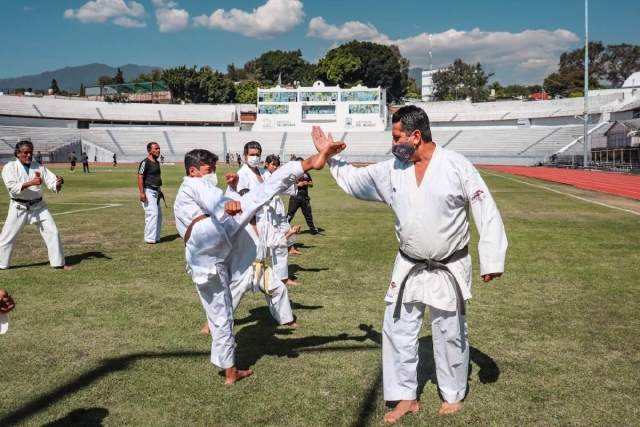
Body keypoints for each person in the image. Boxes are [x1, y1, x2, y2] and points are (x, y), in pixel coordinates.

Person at [311, 105, 507, 422]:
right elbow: (356, 180)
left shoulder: (456, 166)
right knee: (397, 329)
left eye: (396, 136)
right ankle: (406, 397)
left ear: (416, 136)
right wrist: (330, 156)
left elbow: (484, 207)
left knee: (450, 331)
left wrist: (492, 257)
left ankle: (453, 392)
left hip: (449, 267)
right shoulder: (393, 169)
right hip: (409, 265)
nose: (393, 144)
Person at [173, 142, 344, 385]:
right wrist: (227, 203)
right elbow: (213, 200)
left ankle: (230, 371)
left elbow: (213, 203)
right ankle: (307, 164)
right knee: (259, 196)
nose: (212, 174)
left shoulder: (185, 192)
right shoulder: (194, 183)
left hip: (204, 259)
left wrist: (231, 194)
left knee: (220, 314)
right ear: (193, 170)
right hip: (212, 236)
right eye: (209, 169)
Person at [0, 140, 72, 270]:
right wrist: (31, 182)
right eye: (25, 152)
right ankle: (1, 264)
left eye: (30, 153)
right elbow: (12, 187)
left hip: (39, 207)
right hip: (18, 207)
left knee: (53, 233)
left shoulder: (38, 166)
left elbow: (51, 181)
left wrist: (58, 182)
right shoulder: (9, 168)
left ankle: (58, 263)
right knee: (7, 237)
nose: (28, 155)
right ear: (17, 153)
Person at [235, 143, 299, 286]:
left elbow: (278, 185)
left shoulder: (265, 173)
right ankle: (247, 279)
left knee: (281, 244)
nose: (255, 157)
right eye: (252, 154)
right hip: (256, 217)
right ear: (245, 155)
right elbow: (243, 195)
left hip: (272, 214)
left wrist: (293, 179)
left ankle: (282, 277)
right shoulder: (242, 174)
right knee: (255, 249)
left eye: (257, 154)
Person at [264, 155, 302, 255]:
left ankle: (291, 248)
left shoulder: (275, 175)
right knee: (273, 230)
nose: (275, 167)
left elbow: (283, 186)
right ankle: (273, 249)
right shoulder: (263, 176)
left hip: (277, 204)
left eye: (276, 165)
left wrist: (292, 181)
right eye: (273, 164)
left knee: (285, 226)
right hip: (268, 205)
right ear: (266, 164)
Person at [287, 156, 321, 236]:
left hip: (305, 198)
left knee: (308, 215)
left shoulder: (306, 173)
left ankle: (314, 231)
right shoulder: (292, 174)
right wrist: (298, 185)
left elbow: (311, 184)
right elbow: (288, 185)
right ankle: (282, 230)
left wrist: (307, 183)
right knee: (290, 215)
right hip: (295, 197)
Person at [138, 142, 163, 244]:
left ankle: (156, 237)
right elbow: (140, 176)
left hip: (156, 191)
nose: (158, 150)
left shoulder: (156, 162)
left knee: (159, 215)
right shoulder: (145, 162)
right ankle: (149, 237)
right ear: (149, 150)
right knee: (153, 213)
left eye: (159, 149)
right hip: (148, 190)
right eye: (155, 149)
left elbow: (156, 177)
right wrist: (142, 193)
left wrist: (160, 190)